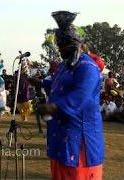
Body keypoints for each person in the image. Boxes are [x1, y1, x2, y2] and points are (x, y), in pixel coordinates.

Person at [39, 11, 104, 180]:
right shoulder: (63, 66)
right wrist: (40, 83)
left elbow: (79, 97)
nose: (60, 50)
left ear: (77, 45)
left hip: (80, 139)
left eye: (64, 46)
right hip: (60, 136)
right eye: (59, 46)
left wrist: (53, 107)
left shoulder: (87, 68)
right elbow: (57, 87)